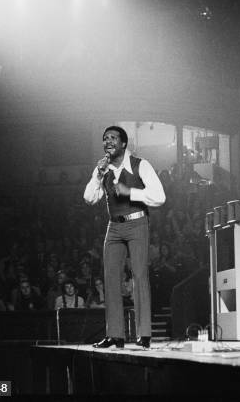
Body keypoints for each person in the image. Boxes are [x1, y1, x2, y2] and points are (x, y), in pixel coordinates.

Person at [84, 125, 166, 349]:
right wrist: (98, 175)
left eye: (112, 138)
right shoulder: (103, 169)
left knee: (139, 276)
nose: (107, 142)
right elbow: (89, 198)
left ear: (123, 144)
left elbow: (160, 197)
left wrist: (132, 192)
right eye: (104, 139)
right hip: (114, 227)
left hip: (137, 222)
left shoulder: (141, 165)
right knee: (110, 278)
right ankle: (115, 335)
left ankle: (144, 334)